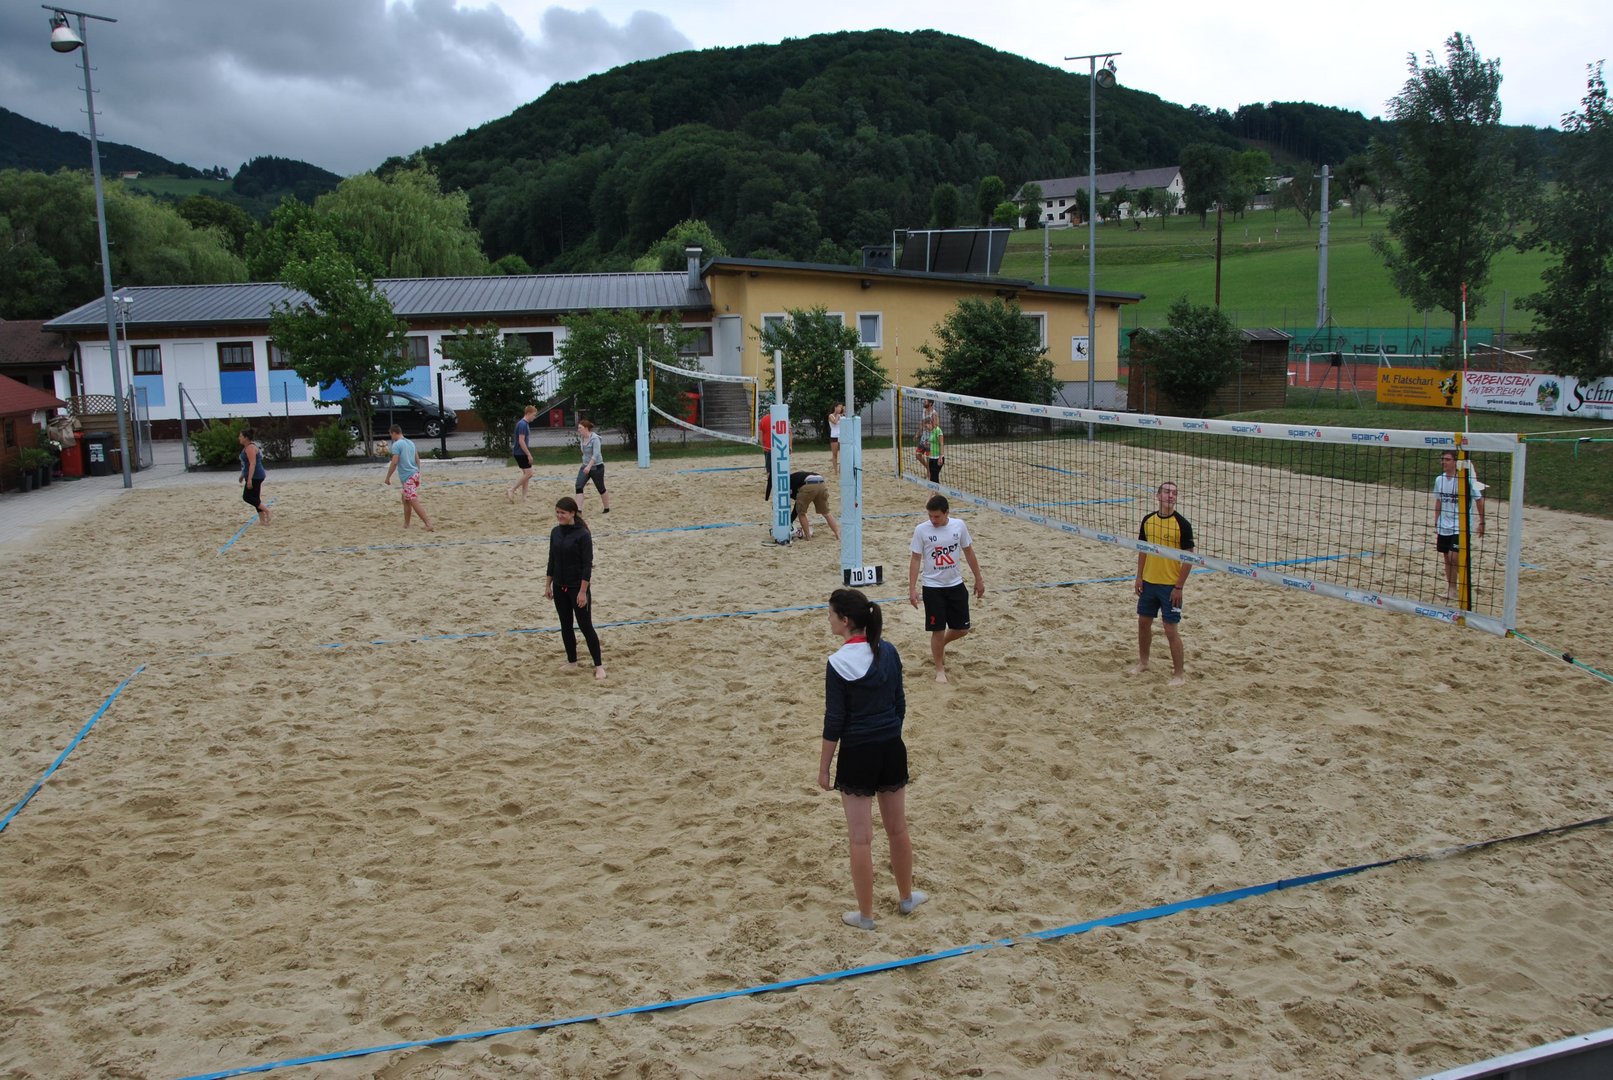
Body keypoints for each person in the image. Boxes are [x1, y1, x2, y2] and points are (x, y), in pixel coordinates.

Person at [818, 587, 925, 930]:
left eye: (831, 615)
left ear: (845, 620)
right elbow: (899, 703)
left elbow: (834, 721)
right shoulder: (888, 651)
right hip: (891, 746)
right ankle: (906, 898)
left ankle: (866, 916)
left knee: (860, 839)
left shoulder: (838, 663)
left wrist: (824, 767)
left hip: (858, 752)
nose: (828, 620)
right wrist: (889, 733)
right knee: (898, 828)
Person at [908, 494, 985, 683]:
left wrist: (978, 579)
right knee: (938, 630)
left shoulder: (959, 526)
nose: (933, 520)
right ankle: (939, 669)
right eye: (930, 516)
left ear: (947, 512)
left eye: (937, 516)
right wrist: (912, 589)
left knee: (962, 629)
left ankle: (940, 645)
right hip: (932, 587)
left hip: (955, 584)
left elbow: (969, 552)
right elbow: (916, 559)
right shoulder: (921, 530)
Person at [1132, 481, 1193, 686]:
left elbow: (1189, 559)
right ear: (1158, 496)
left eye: (1174, 493)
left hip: (1170, 586)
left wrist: (1179, 587)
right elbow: (1143, 550)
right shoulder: (1148, 520)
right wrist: (1139, 576)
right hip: (1149, 582)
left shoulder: (1182, 524)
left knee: (1170, 629)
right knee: (1143, 623)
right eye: (1167, 492)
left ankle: (1179, 675)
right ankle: (1144, 663)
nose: (1171, 495)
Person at [545, 496, 605, 680]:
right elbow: (552, 560)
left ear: (572, 513)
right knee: (565, 625)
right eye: (557, 512)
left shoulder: (583, 535)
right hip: (559, 586)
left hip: (577, 588)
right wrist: (548, 585)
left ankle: (599, 666)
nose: (559, 516)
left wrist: (582, 591)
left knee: (585, 626)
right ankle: (572, 661)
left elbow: (587, 566)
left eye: (562, 513)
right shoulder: (555, 532)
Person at [1434, 449, 1485, 602]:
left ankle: (1465, 583)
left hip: (1461, 525)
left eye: (1447, 459)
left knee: (1454, 556)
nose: (1444, 462)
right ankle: (1452, 590)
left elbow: (1479, 500)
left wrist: (1482, 522)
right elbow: (1438, 501)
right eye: (1443, 459)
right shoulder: (1439, 480)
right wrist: (1436, 521)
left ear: (1455, 462)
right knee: (1446, 557)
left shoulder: (1465, 480)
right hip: (1444, 525)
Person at [383, 423, 433, 531]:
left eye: (390, 434)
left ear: (394, 433)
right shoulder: (410, 442)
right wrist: (418, 472)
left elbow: (394, 462)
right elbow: (417, 459)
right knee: (405, 499)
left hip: (408, 476)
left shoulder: (397, 445)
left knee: (413, 500)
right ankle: (406, 524)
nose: (390, 436)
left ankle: (428, 523)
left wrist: (388, 477)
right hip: (414, 474)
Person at [790, 470, 841, 541]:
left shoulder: (788, 483)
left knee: (801, 513)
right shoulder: (796, 476)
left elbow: (797, 505)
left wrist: (790, 520)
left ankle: (808, 537)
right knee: (826, 513)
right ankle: (838, 535)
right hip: (821, 483)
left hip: (809, 485)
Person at [575, 418, 610, 513]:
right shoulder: (582, 438)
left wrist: (589, 466)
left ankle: (606, 508)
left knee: (601, 488)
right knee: (578, 486)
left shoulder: (595, 439)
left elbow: (596, 454)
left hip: (597, 467)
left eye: (580, 428)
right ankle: (578, 510)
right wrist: (586, 465)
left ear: (586, 428)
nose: (578, 430)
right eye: (578, 428)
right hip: (585, 466)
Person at [237, 427, 269, 525]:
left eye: (241, 436)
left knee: (247, 497)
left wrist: (249, 479)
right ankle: (262, 520)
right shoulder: (246, 448)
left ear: (246, 438)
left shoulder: (250, 448)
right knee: (255, 498)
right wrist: (242, 475)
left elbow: (252, 464)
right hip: (254, 475)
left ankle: (267, 511)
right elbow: (246, 465)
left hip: (256, 476)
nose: (239, 438)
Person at [506, 404, 538, 502]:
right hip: (520, 452)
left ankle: (524, 497)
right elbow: (521, 441)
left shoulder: (524, 423)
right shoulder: (522, 424)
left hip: (520, 452)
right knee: (529, 473)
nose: (534, 417)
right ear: (528, 413)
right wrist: (528, 454)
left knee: (526, 474)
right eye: (534, 415)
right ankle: (512, 489)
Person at [922, 414, 945, 484]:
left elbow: (941, 444)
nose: (933, 421)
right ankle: (936, 490)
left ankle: (935, 491)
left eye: (935, 419)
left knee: (934, 478)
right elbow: (933, 442)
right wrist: (927, 443)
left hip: (937, 457)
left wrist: (940, 457)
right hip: (931, 457)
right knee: (933, 478)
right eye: (932, 419)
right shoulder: (932, 431)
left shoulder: (938, 430)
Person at [827, 403, 845, 474]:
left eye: (841, 407)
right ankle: (835, 471)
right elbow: (834, 422)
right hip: (834, 436)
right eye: (839, 407)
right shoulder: (830, 416)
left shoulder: (841, 416)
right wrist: (837, 415)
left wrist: (842, 414)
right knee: (835, 454)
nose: (840, 409)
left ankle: (841, 470)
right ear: (835, 407)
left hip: (841, 436)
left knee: (843, 454)